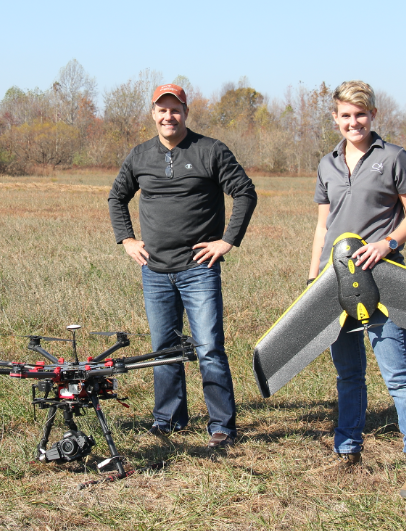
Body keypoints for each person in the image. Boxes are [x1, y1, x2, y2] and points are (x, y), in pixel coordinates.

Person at [108, 84, 257, 448]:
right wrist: (127, 240)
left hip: (198, 269)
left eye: (175, 110)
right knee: (163, 348)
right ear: (153, 114)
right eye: (162, 110)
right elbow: (116, 196)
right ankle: (169, 420)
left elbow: (245, 192)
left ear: (185, 113)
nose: (168, 116)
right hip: (155, 270)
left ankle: (221, 425)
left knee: (208, 346)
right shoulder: (140, 155)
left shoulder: (210, 150)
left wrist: (227, 241)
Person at [308, 80, 406, 498]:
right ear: (335, 118)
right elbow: (323, 226)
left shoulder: (394, 157)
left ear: (372, 115)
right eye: (345, 115)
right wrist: (313, 278)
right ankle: (348, 449)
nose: (353, 122)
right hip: (334, 283)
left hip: (384, 280)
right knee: (348, 374)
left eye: (360, 114)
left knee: (398, 375)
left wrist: (388, 243)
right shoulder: (326, 164)